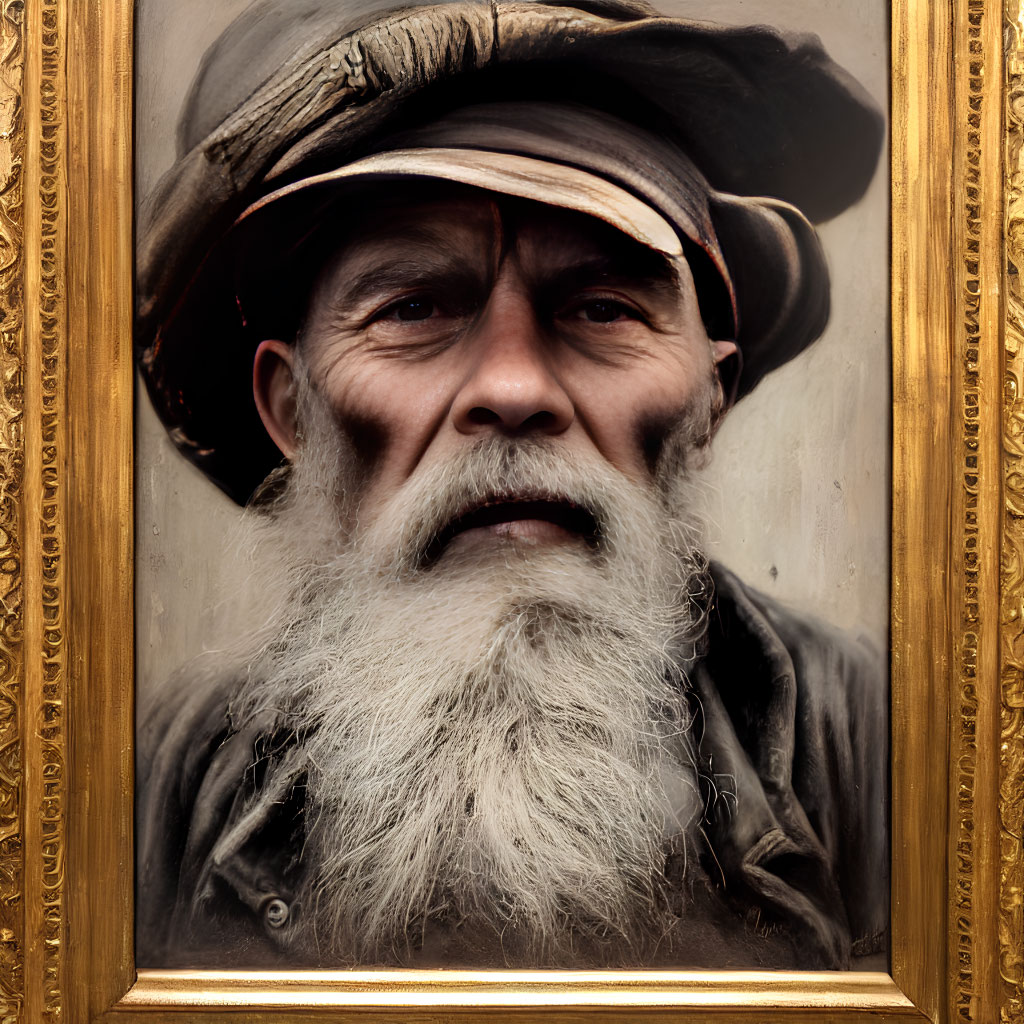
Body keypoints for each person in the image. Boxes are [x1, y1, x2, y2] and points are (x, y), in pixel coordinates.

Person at [134, 0, 888, 970]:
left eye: (603, 307)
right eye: (411, 307)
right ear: (292, 411)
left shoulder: (891, 747)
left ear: (707, 398)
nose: (514, 386)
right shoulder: (151, 786)